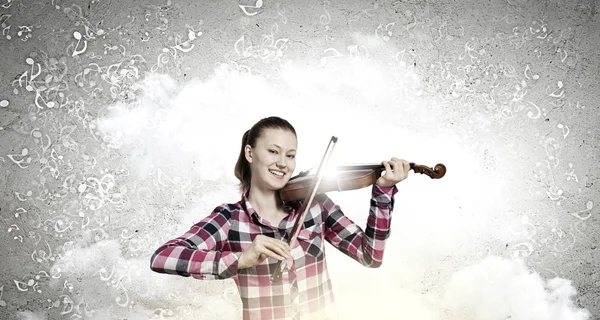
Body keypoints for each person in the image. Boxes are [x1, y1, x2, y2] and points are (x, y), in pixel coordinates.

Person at [150, 116, 410, 320]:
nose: (283, 164)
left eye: (290, 155)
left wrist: (383, 191)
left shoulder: (315, 204)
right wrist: (241, 259)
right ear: (250, 154)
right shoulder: (229, 219)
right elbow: (163, 257)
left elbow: (371, 256)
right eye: (273, 151)